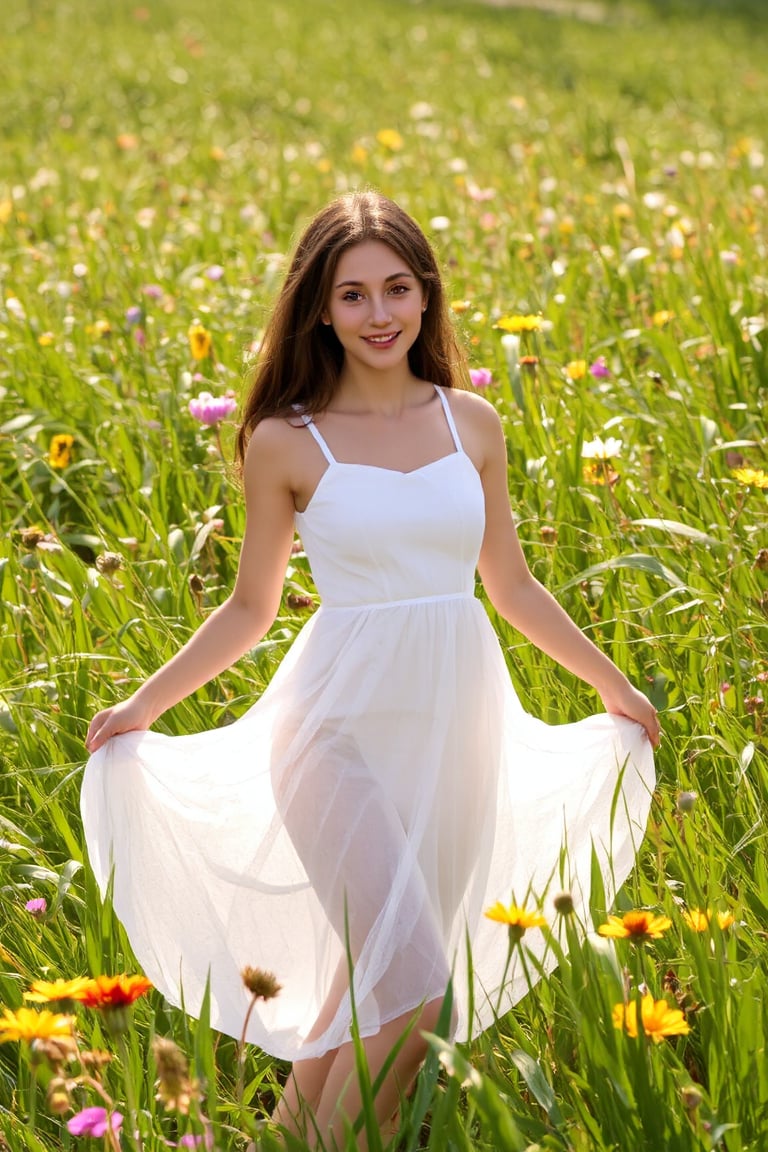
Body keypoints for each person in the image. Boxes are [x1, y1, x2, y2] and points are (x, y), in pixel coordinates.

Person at [82, 190, 658, 1148]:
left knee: (366, 999)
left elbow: (509, 585)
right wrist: (143, 705)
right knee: (416, 997)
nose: (379, 313)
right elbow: (249, 607)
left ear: (427, 298)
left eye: (398, 288)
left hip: (455, 734)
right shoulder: (286, 440)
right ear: (320, 309)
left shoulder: (470, 424)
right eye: (354, 295)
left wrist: (614, 686)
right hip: (331, 732)